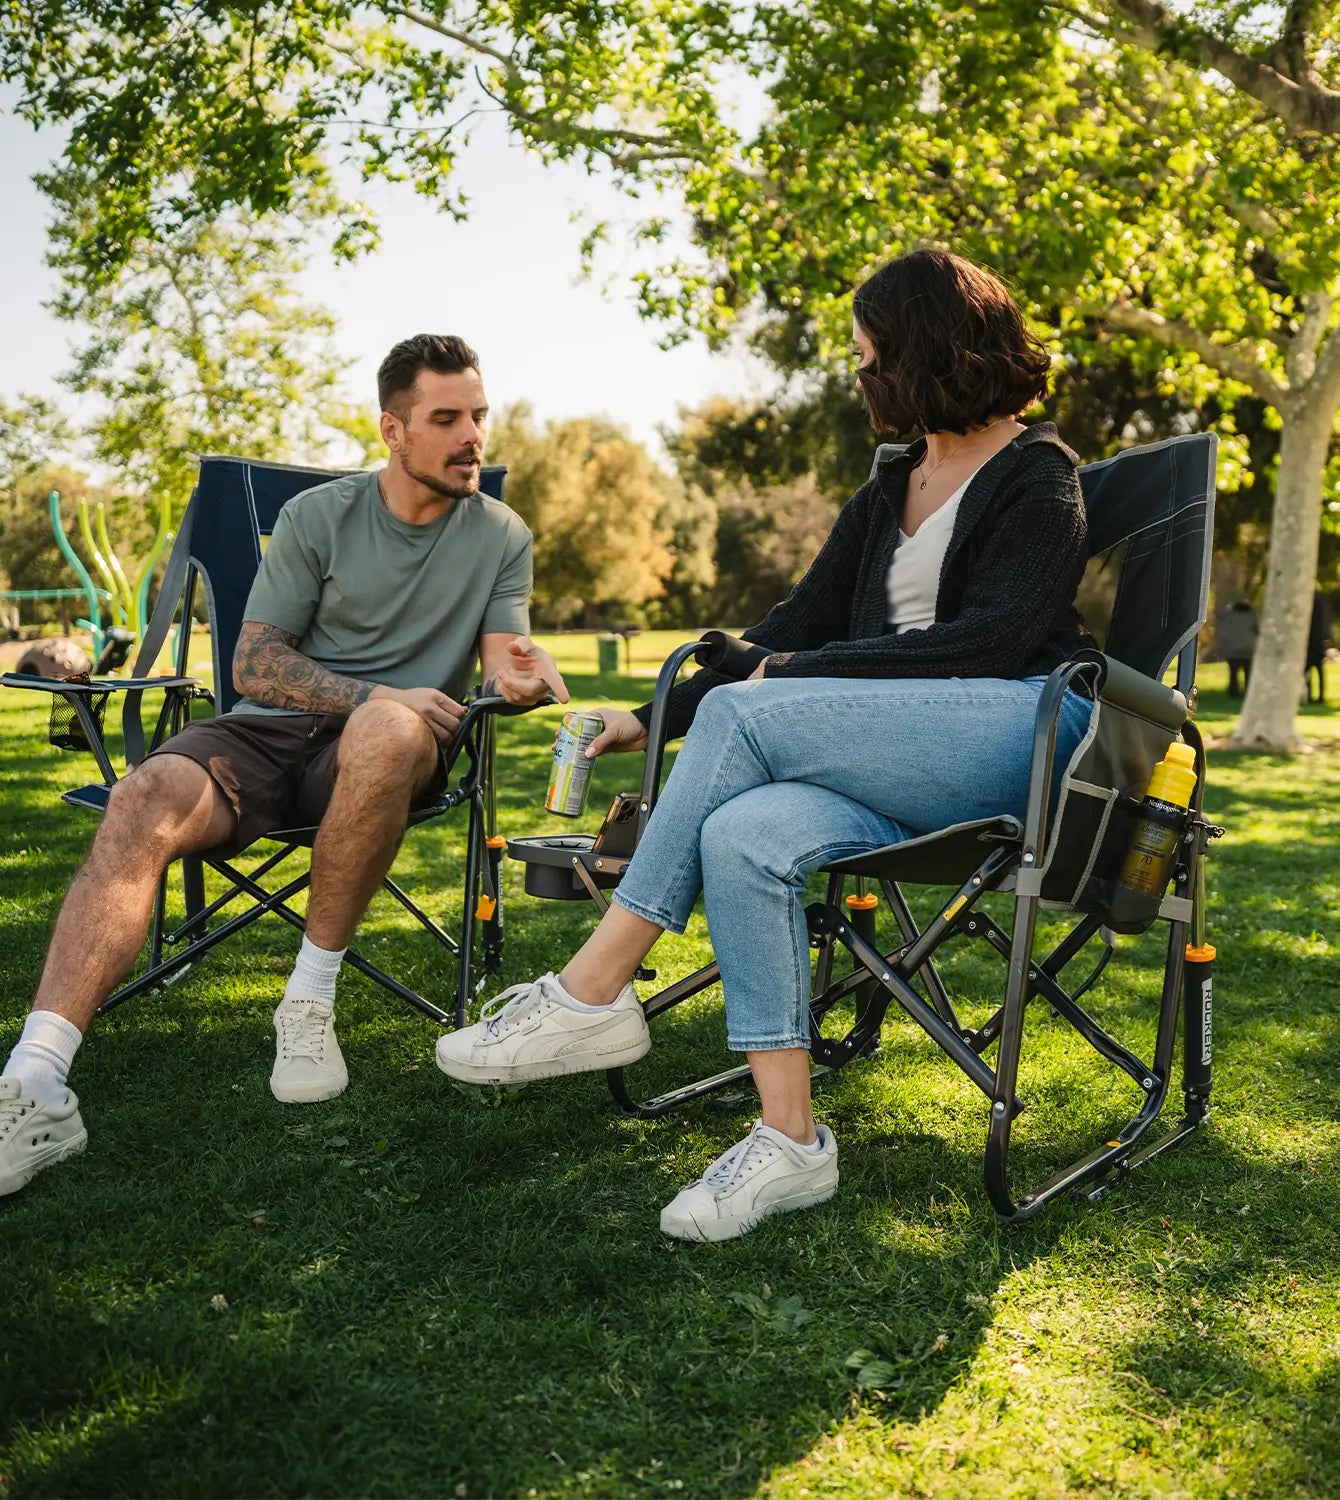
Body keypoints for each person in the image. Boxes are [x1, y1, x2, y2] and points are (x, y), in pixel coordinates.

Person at [438, 250, 1097, 1242]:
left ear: (925, 353)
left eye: (871, 358)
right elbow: (791, 626)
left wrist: (781, 683)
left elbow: (995, 639)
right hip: (892, 760)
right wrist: (655, 717)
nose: (860, 377)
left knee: (753, 712)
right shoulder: (891, 484)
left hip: (1023, 731)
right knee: (743, 833)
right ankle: (790, 1141)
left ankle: (593, 989)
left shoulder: (1039, 475)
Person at [0, 333, 568, 1207]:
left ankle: (306, 1004)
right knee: (143, 791)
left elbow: (500, 661)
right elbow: (256, 669)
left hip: (389, 752)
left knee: (383, 729)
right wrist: (386, 690)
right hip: (268, 735)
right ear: (392, 429)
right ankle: (33, 1086)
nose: (472, 438)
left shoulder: (499, 534)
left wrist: (518, 681)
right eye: (446, 418)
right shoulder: (320, 518)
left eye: (479, 416)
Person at [1214, 597, 1258, 697]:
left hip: (1232, 648)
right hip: (1247, 648)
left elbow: (1220, 621)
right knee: (1248, 672)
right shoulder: (1251, 613)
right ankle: (1248, 692)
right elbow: (1257, 629)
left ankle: (1233, 692)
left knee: (1233, 672)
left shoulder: (1228, 613)